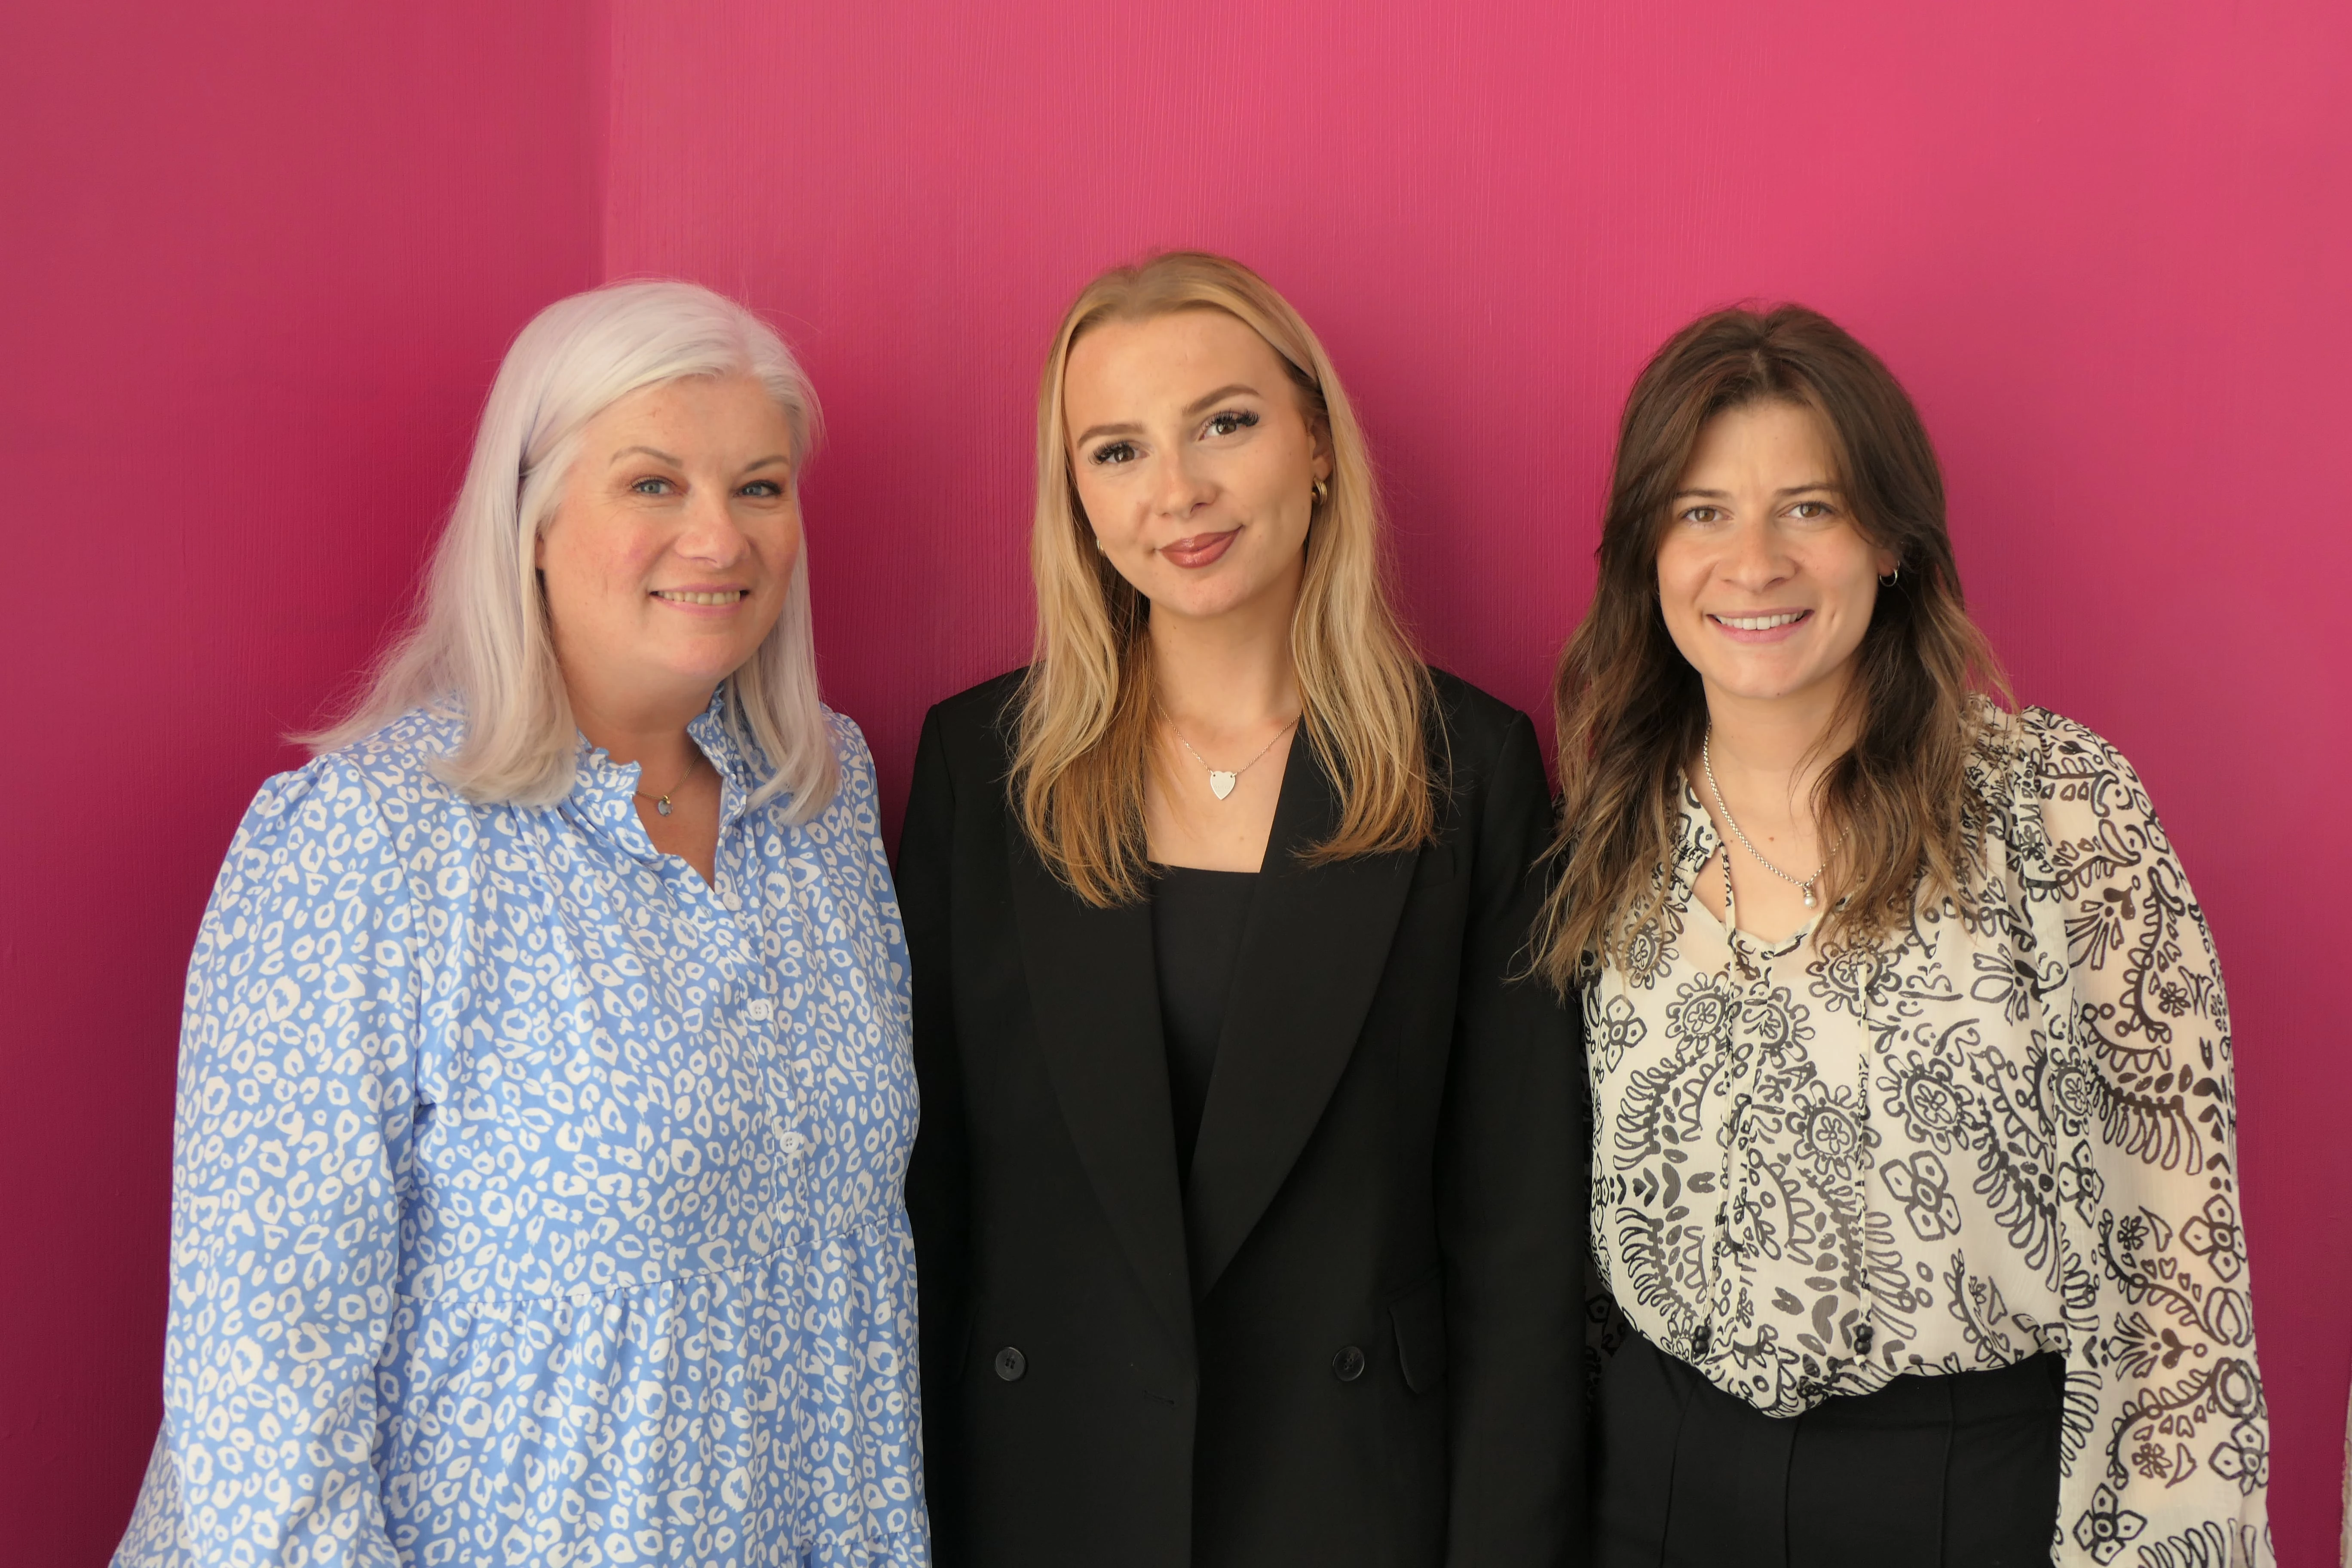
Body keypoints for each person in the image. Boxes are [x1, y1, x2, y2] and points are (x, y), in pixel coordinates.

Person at [113, 281, 927, 1568]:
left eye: (760, 487)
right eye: (653, 484)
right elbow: (260, 1377)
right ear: (532, 518)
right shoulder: (368, 841)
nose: (720, 536)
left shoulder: (821, 798)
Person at [1539, 304, 2271, 1566]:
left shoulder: (2055, 808)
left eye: (1809, 508)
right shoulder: (1611, 828)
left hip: (1963, 1494)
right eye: (1702, 511)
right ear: (1646, 552)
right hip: (1658, 1487)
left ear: (1892, 543)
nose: (1752, 562)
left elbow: (2179, 1256)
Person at [898, 251, 1583, 1567]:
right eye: (1116, 451)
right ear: (1076, 497)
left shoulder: (1469, 768)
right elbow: (931, 1200)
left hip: (1351, 1508)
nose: (1179, 493)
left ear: (1316, 443)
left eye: (1227, 422)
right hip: (1046, 1501)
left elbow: (1520, 1243)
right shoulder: (980, 770)